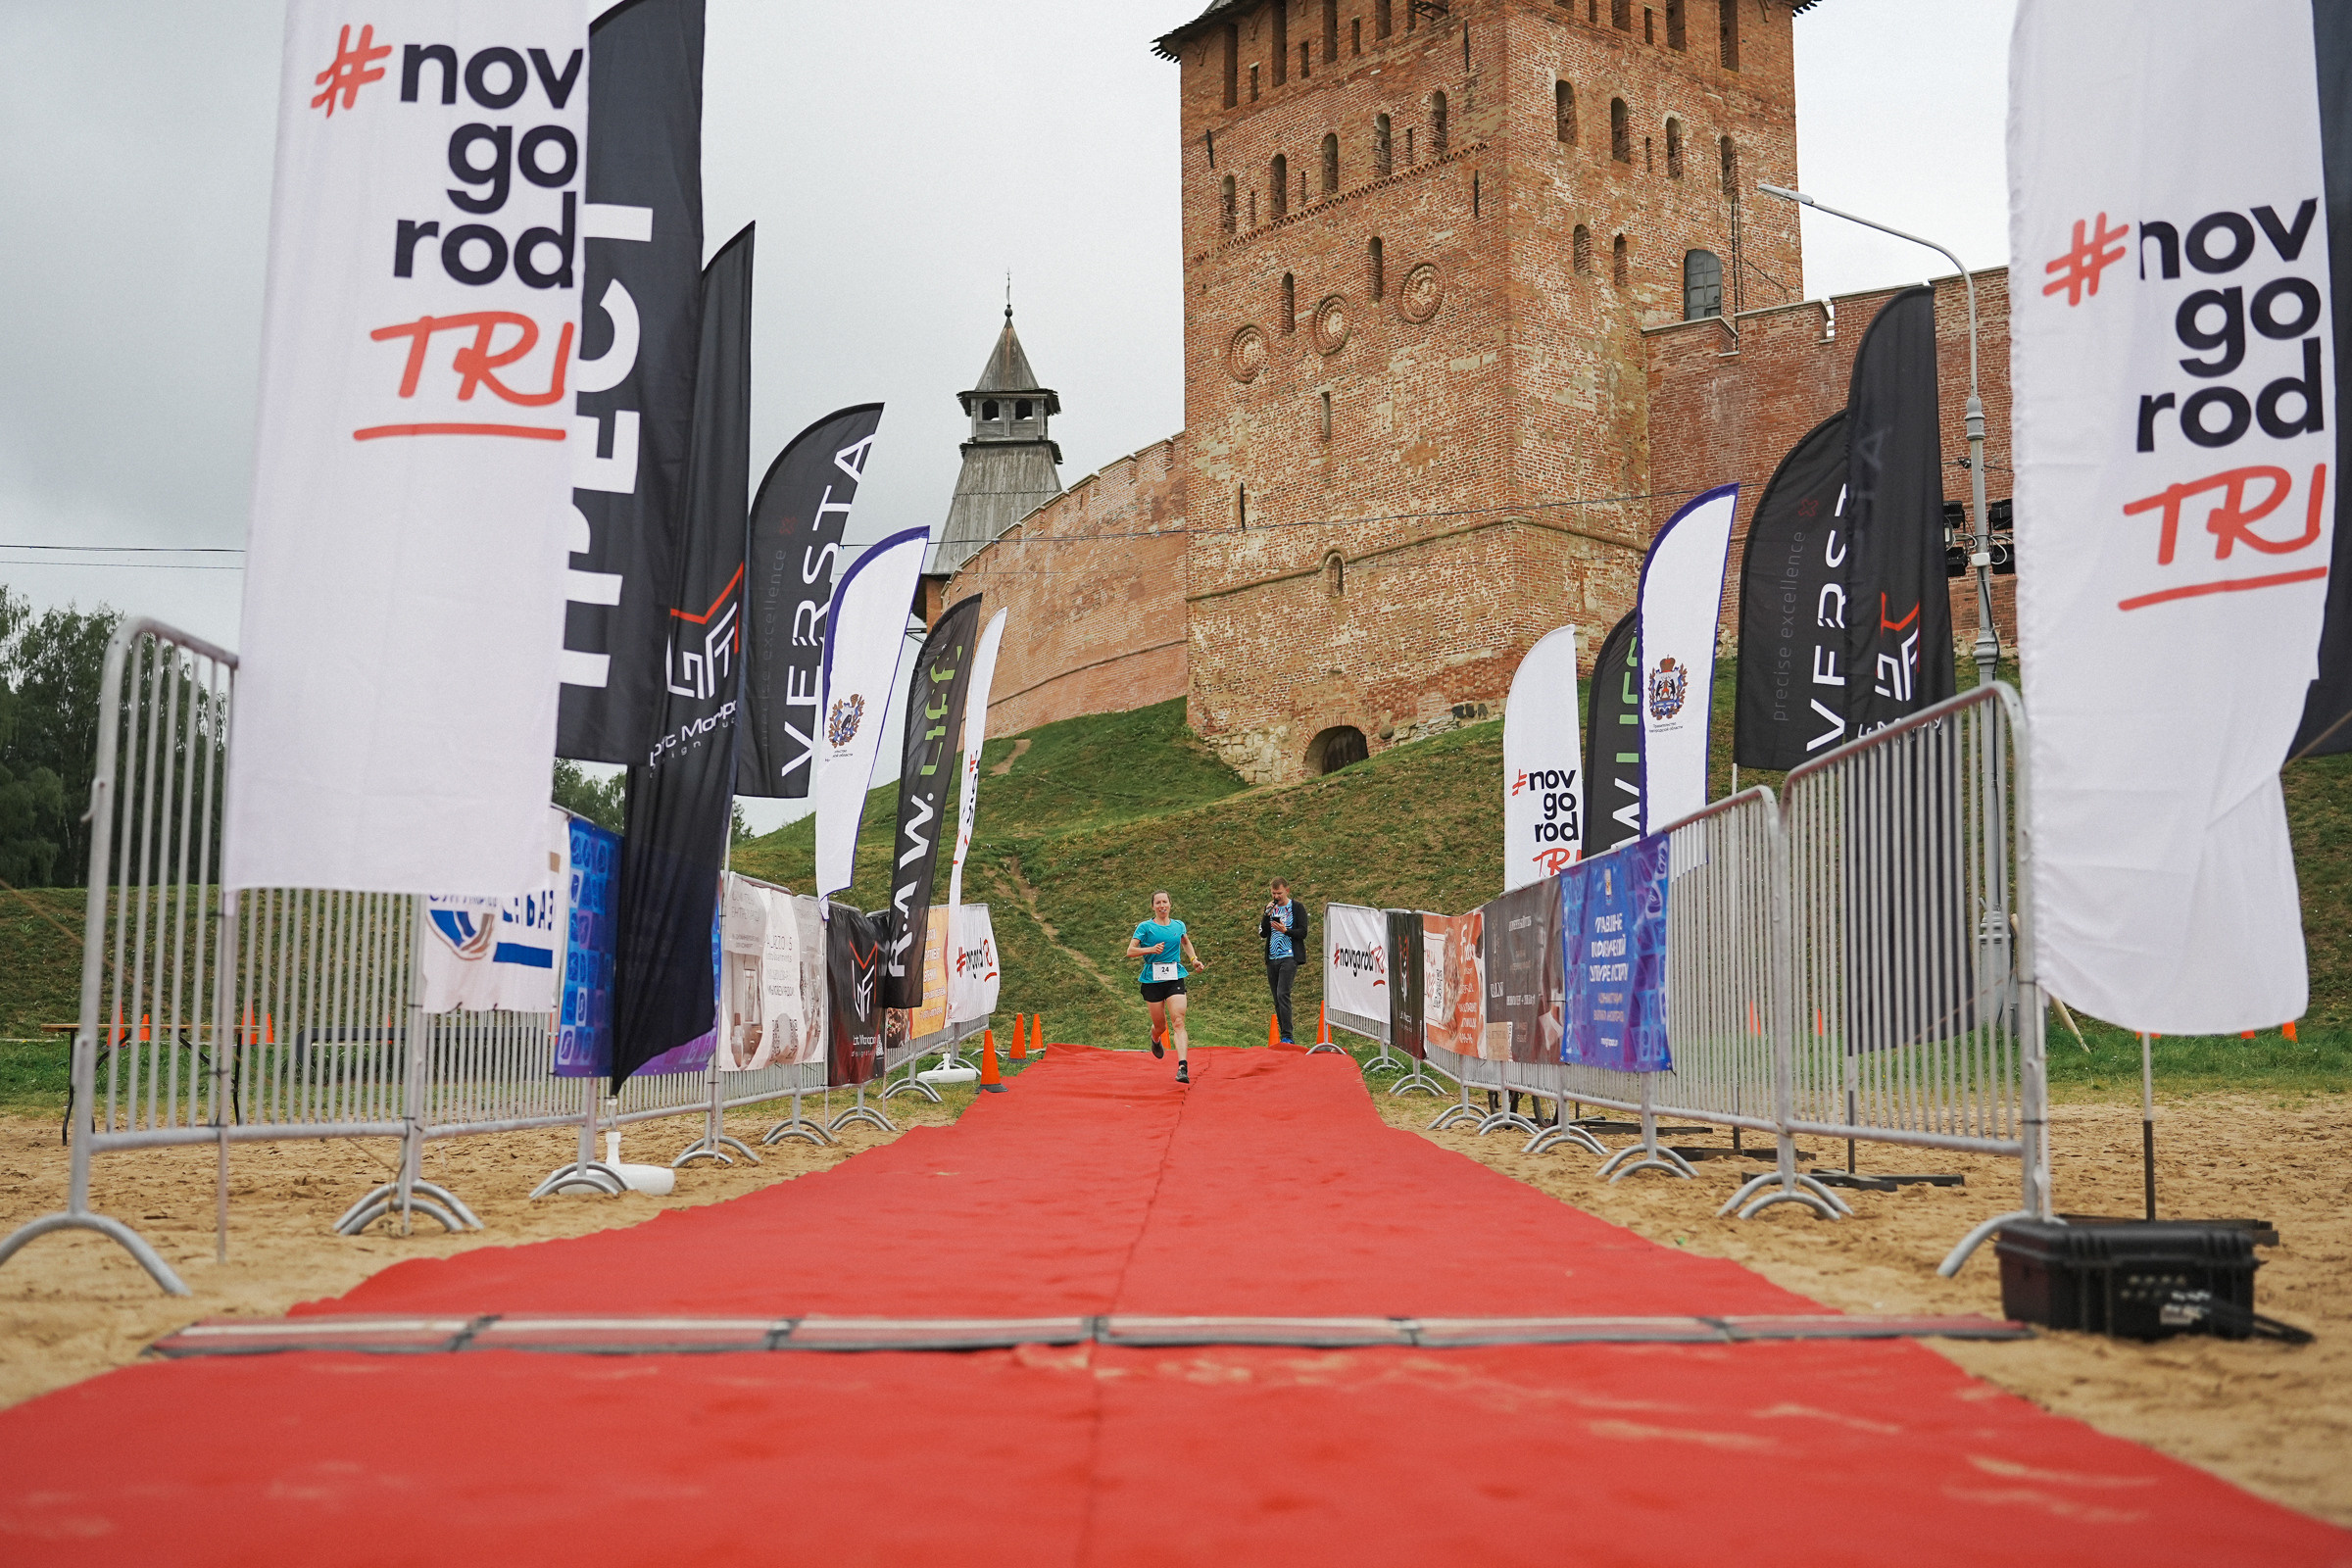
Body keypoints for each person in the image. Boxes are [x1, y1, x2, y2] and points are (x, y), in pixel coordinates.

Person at [1127, 890, 1206, 1083]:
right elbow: (1130, 951)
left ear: (1170, 904)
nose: (1162, 906)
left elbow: (1186, 943)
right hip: (1152, 979)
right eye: (1158, 903)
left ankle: (1182, 1067)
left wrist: (1194, 959)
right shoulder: (1145, 927)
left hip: (1174, 977)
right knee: (1161, 1025)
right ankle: (1155, 1038)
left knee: (1178, 1020)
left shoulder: (1179, 926)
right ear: (1153, 906)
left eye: (1165, 902)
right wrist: (1150, 949)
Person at [1258, 877, 1307, 1045]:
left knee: (1282, 994)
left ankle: (1288, 1036)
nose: (1276, 896)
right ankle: (1283, 1035)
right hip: (1272, 958)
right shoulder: (1270, 909)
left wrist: (1286, 931)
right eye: (1273, 893)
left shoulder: (1296, 907)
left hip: (1289, 957)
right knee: (1276, 998)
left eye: (1279, 893)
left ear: (1287, 890)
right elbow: (1262, 933)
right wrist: (1266, 916)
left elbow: (1303, 932)